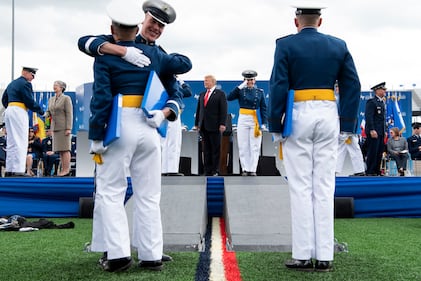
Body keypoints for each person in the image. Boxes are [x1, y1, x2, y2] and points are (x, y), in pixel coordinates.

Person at [86, 0, 183, 273]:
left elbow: (102, 99)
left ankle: (117, 255)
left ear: (112, 28)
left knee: (110, 192)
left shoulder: (105, 56)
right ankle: (151, 254)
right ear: (139, 23)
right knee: (149, 193)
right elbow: (182, 65)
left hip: (119, 125)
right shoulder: (156, 55)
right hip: (150, 127)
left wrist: (96, 136)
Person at [268, 5, 361, 272]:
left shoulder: (285, 45)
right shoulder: (338, 45)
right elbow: (352, 84)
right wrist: (348, 123)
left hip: (298, 113)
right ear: (320, 20)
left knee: (300, 186)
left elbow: (278, 85)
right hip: (328, 113)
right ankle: (324, 256)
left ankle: (302, 254)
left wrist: (276, 123)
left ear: (296, 21)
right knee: (323, 185)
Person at [77, 0, 191, 77]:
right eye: (153, 21)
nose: (156, 28)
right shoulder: (120, 39)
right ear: (142, 20)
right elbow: (84, 42)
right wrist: (124, 52)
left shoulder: (159, 54)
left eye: (161, 25)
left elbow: (186, 64)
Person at [1, 66, 44, 177]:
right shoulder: (25, 84)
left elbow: (4, 99)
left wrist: (11, 106)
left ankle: (9, 169)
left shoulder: (12, 83)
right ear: (26, 73)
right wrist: (40, 111)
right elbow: (29, 100)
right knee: (20, 140)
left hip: (9, 110)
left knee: (11, 141)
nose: (33, 78)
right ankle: (18, 170)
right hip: (19, 111)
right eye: (32, 75)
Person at [228, 70, 267, 176]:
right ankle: (245, 168)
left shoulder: (260, 92)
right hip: (243, 118)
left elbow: (263, 108)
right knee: (243, 144)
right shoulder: (240, 91)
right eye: (247, 80)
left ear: (255, 80)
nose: (250, 82)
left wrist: (264, 123)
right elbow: (229, 97)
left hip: (255, 118)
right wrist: (241, 86)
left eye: (251, 80)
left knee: (254, 145)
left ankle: (252, 169)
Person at [194, 75, 227, 176]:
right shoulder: (202, 94)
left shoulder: (220, 94)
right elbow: (199, 110)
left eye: (207, 81)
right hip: (204, 126)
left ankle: (215, 170)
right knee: (206, 150)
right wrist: (196, 124)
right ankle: (207, 170)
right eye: (204, 81)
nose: (205, 82)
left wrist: (222, 123)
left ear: (213, 82)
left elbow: (223, 110)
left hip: (215, 126)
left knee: (215, 149)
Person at [161, 77, 192, 176]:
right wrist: (182, 81)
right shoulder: (173, 86)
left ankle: (163, 169)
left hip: (161, 113)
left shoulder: (159, 83)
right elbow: (188, 92)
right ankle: (172, 170)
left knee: (164, 143)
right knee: (174, 142)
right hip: (173, 113)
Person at [335, 83, 365, 176]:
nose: (336, 89)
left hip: (345, 128)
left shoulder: (343, 99)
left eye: (337, 87)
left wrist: (347, 129)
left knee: (341, 148)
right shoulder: (344, 98)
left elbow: (348, 114)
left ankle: (335, 170)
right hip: (348, 128)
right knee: (351, 149)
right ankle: (359, 170)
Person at [46, 81, 73, 176]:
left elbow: (69, 114)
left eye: (56, 85)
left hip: (64, 127)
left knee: (65, 149)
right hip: (55, 127)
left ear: (62, 87)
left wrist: (68, 128)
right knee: (60, 149)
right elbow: (48, 112)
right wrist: (45, 118)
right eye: (54, 85)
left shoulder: (66, 98)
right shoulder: (51, 99)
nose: (54, 86)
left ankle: (66, 169)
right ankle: (63, 169)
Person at [365, 82, 387, 176]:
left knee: (379, 152)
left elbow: (382, 119)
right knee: (372, 151)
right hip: (374, 131)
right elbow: (369, 117)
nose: (385, 91)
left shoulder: (382, 102)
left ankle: (377, 171)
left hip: (381, 131)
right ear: (377, 90)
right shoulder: (372, 102)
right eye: (383, 89)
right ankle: (370, 171)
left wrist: (384, 131)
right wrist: (372, 129)